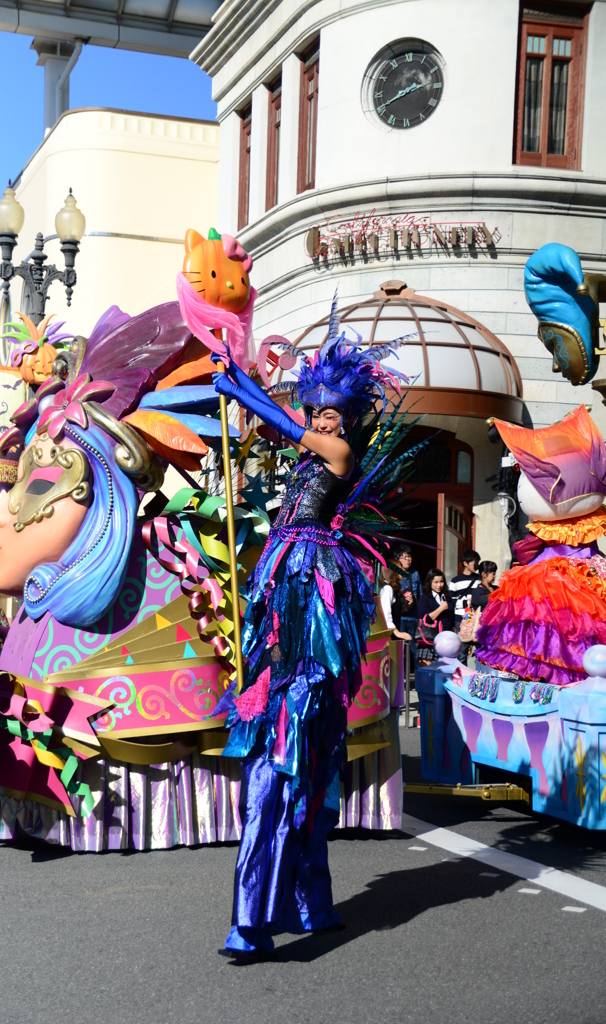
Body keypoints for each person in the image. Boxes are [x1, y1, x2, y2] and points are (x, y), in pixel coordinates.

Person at [211, 303, 408, 958]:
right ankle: (306, 903)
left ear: (345, 424)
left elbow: (279, 424)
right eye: (316, 412)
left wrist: (239, 386)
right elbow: (273, 426)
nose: (321, 421)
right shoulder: (304, 458)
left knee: (299, 736)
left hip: (312, 576)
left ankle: (267, 913)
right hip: (282, 576)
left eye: (330, 415)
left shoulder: (337, 453)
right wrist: (232, 379)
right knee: (285, 729)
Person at [416, 569, 453, 663]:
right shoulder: (425, 598)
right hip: (429, 641)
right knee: (428, 674)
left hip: (445, 642)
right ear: (430, 582)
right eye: (435, 582)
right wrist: (441, 608)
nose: (439, 585)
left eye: (441, 581)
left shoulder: (447, 598)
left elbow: (451, 620)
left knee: (444, 674)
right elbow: (426, 619)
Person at [393, 543, 421, 666]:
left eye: (410, 557)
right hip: (400, 617)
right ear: (398, 558)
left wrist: (414, 601)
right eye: (405, 557)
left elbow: (419, 595)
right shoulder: (393, 574)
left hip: (413, 616)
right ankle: (400, 677)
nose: (408, 560)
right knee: (399, 648)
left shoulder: (415, 574)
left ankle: (417, 674)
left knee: (415, 648)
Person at [449, 549, 481, 631]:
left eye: (477, 562)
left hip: (476, 619)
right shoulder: (455, 581)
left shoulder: (479, 579)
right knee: (461, 643)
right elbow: (451, 603)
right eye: (474, 562)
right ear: (465, 563)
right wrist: (452, 624)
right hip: (460, 619)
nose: (476, 565)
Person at [379, 566, 412, 642]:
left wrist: (405, 607)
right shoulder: (387, 588)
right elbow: (385, 613)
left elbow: (394, 611)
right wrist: (397, 632)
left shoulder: (391, 588)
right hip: (389, 635)